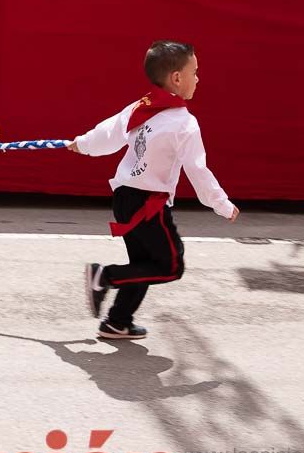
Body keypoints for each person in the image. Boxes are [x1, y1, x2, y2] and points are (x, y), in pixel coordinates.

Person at [68, 41, 238, 340]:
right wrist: (222, 204)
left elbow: (108, 133)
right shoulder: (183, 122)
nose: (198, 78)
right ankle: (104, 276)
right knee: (171, 266)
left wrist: (82, 143)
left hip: (124, 197)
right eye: (194, 72)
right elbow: (198, 171)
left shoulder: (141, 107)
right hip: (149, 203)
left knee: (144, 263)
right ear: (176, 78)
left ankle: (117, 321)